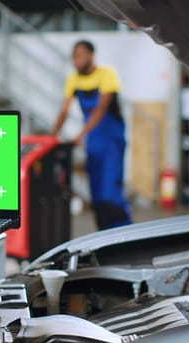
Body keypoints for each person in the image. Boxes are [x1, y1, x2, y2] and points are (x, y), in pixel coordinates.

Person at [52, 40, 132, 230]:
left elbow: (101, 107)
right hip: (93, 142)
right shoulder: (73, 79)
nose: (75, 60)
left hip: (112, 139)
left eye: (79, 55)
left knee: (110, 190)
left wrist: (81, 134)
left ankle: (124, 232)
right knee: (96, 193)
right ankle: (104, 235)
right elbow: (64, 111)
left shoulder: (107, 74)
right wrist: (51, 136)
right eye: (73, 56)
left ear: (91, 55)